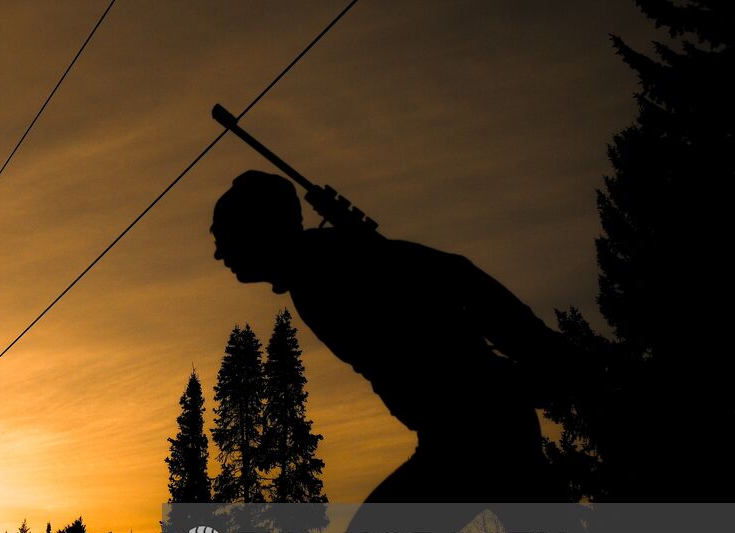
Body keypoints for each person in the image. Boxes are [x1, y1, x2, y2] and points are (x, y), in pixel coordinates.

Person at [211, 170, 570, 504]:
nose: (218, 253)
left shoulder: (328, 262)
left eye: (224, 235)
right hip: (470, 430)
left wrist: (539, 350)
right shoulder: (319, 266)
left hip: (475, 434)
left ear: (257, 230)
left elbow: (455, 275)